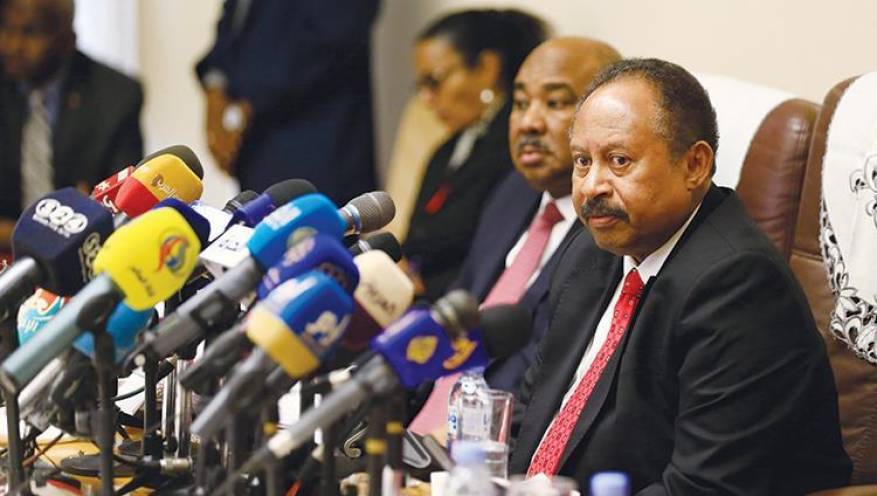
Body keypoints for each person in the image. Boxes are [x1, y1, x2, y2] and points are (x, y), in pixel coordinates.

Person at [509, 59, 851, 494]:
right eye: (582, 161)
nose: (591, 186)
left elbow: (703, 487)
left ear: (694, 165)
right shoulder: (593, 248)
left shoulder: (739, 285)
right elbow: (532, 411)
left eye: (618, 161)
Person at [453, 37, 621, 393]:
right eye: (520, 103)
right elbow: (460, 302)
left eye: (555, 102)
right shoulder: (513, 192)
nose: (529, 123)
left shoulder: (612, 229)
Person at [402, 9, 547, 301]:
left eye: (435, 81)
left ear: (487, 68)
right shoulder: (446, 150)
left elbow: (488, 250)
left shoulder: (520, 145)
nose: (426, 99)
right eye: (421, 86)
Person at [196, 0, 378, 206]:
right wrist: (215, 88)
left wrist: (246, 107)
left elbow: (339, 28)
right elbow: (237, 20)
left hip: (318, 151)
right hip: (257, 155)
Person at [0, 0, 143, 252]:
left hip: (83, 261)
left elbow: (123, 210)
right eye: (6, 28)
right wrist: (38, 238)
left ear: (67, 41)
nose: (11, 45)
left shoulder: (115, 96)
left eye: (30, 33)